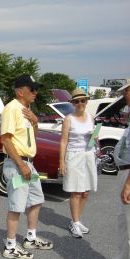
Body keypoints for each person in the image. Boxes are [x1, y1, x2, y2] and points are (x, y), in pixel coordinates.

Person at [0, 74, 53, 259]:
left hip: (29, 163)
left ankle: (30, 238)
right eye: (32, 89)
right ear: (20, 91)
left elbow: (33, 136)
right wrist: (21, 164)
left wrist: (35, 121)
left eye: (36, 89)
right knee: (16, 206)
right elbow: (6, 140)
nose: (36, 92)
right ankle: (10, 247)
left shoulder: (27, 109)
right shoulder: (11, 109)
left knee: (36, 200)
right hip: (17, 164)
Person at [100, 80, 130, 259]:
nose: (125, 95)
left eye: (127, 91)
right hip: (125, 171)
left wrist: (129, 183)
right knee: (123, 222)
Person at [59, 88, 98, 238]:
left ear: (86, 102)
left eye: (83, 100)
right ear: (73, 103)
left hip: (88, 155)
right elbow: (63, 142)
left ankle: (76, 220)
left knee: (85, 192)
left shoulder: (90, 116)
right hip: (74, 156)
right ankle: (75, 222)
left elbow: (94, 137)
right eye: (77, 101)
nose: (80, 103)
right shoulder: (68, 118)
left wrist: (95, 137)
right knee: (75, 191)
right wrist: (61, 161)